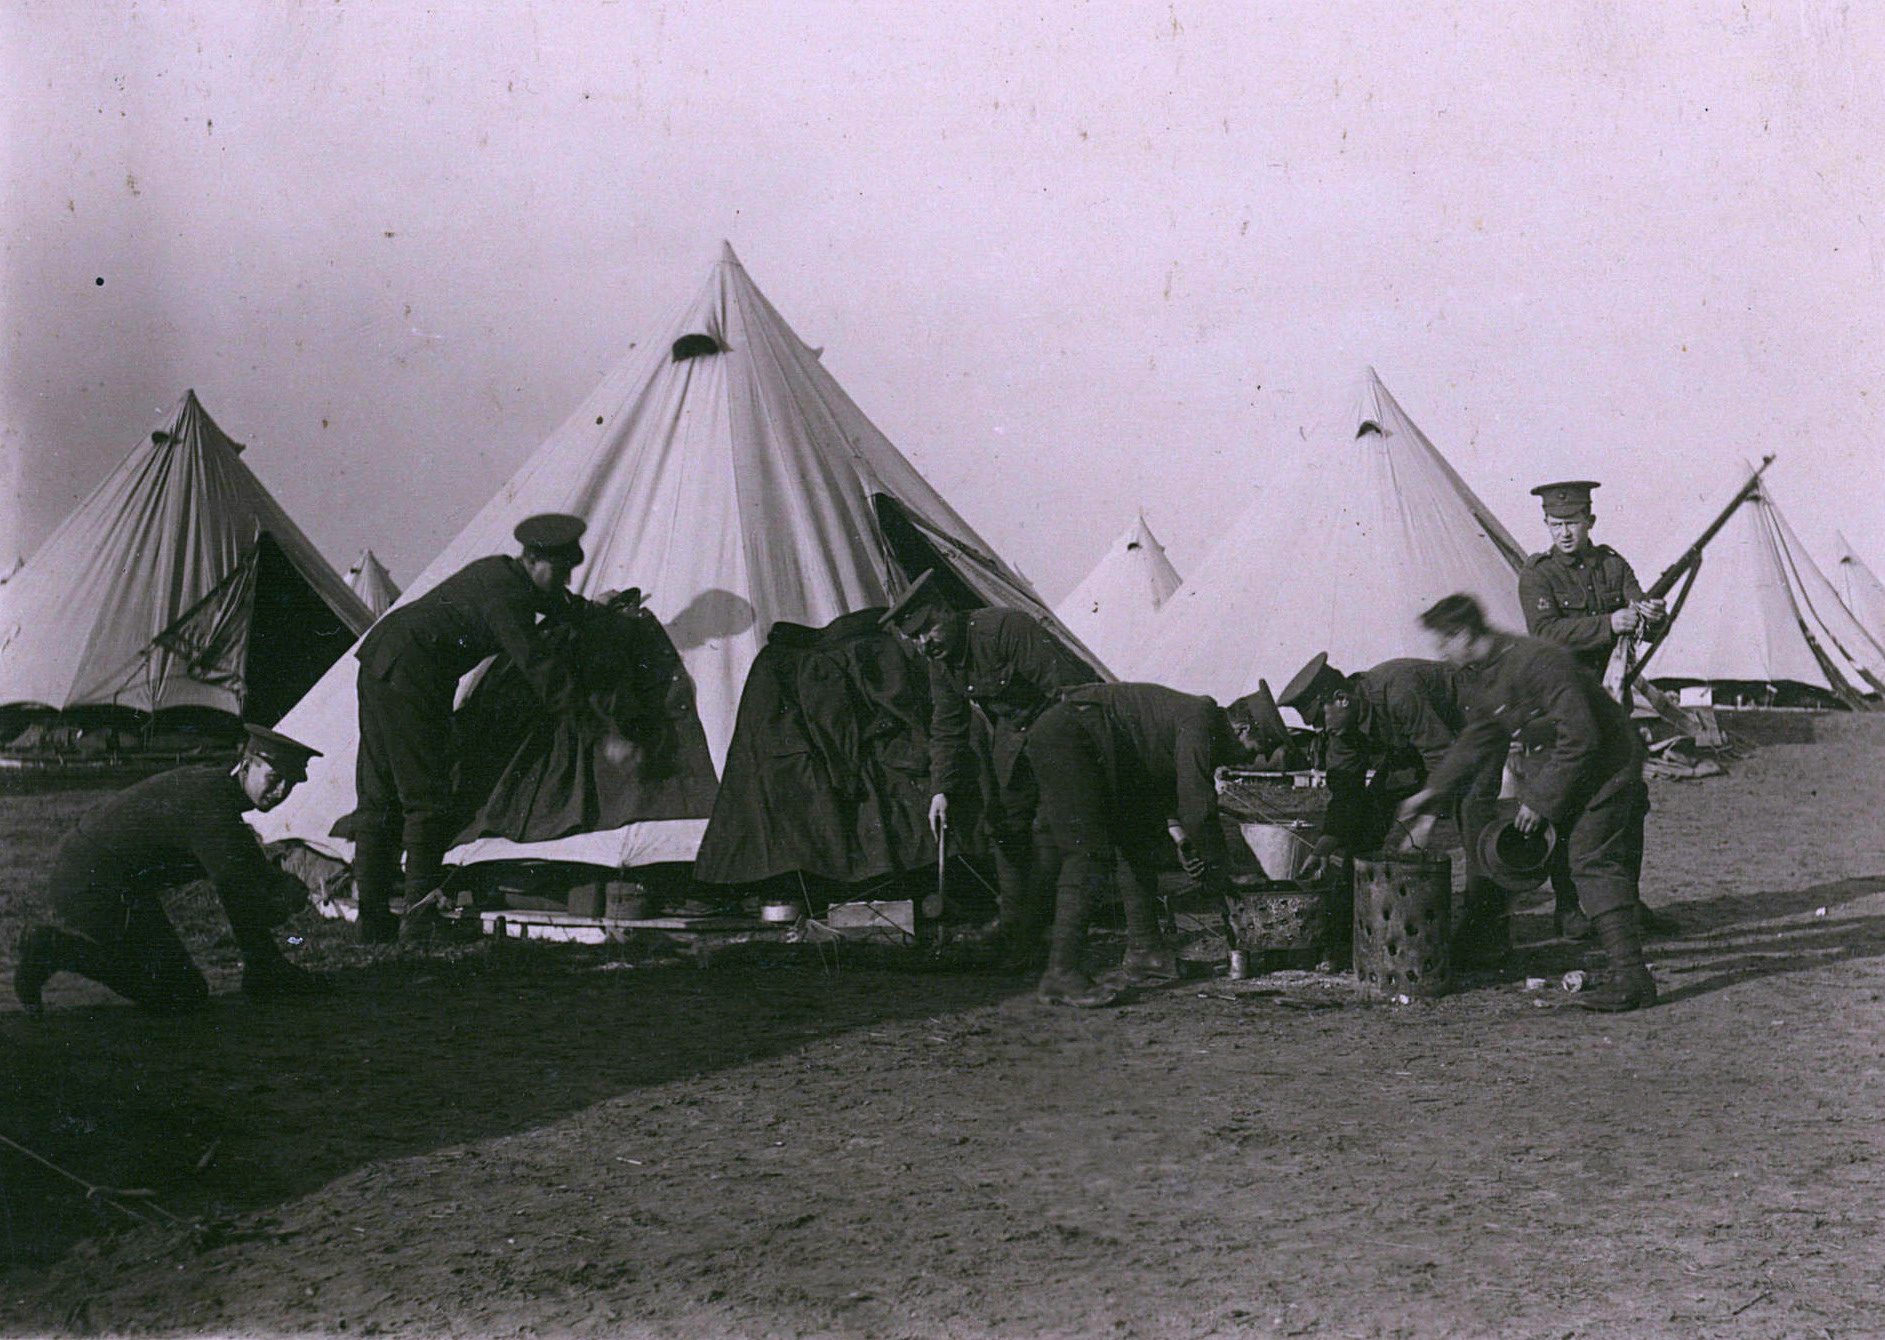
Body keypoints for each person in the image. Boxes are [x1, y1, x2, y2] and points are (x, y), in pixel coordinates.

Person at [350, 513, 617, 943]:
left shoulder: (505, 576)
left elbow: (555, 604)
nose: (565, 580)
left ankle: (372, 919)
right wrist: (596, 727)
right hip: (413, 672)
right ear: (532, 559)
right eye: (561, 571)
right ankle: (420, 921)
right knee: (425, 799)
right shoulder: (506, 594)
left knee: (378, 794)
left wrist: (592, 609)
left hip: (382, 658)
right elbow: (536, 665)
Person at [1396, 594, 1658, 1012]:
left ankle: (1633, 978)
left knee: (1590, 860)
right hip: (1574, 765)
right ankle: (1486, 940)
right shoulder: (1491, 672)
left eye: (1444, 643)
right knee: (1555, 856)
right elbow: (1479, 736)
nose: (1441, 654)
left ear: (1464, 635)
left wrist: (1538, 801)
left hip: (1609, 763)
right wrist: (1432, 792)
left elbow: (1582, 736)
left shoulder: (1539, 659)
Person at [13, 726, 328, 1017]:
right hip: (90, 884)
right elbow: (238, 893)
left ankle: (266, 970)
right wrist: (279, 905)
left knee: (176, 978)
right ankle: (53, 949)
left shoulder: (218, 792)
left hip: (111, 879)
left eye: (290, 783)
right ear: (246, 766)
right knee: (181, 992)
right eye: (274, 779)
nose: (281, 791)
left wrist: (275, 884)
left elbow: (246, 865)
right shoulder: (212, 805)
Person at [880, 571, 1101, 960]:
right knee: (1003, 824)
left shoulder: (1006, 628)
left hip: (1057, 727)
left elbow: (1064, 692)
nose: (924, 644)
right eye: (914, 638)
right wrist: (940, 791)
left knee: (1058, 826)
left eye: (927, 630)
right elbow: (947, 728)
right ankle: (1017, 928)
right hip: (1012, 737)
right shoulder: (943, 663)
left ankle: (1056, 931)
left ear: (946, 612)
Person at [1024, 682, 1265, 1006]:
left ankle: (1145, 951)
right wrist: (1218, 872)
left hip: (1097, 743)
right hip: (1070, 738)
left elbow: (1160, 787)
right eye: (1257, 746)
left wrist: (1182, 840)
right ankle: (1061, 972)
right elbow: (1198, 807)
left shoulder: (1194, 720)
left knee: (1137, 844)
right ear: (1242, 728)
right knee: (1088, 854)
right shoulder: (1201, 721)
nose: (1256, 757)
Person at [1517, 480, 1676, 940]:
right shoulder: (1538, 575)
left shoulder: (1612, 565)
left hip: (1613, 707)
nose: (1565, 532)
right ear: (1547, 524)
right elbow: (1545, 632)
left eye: (1573, 523)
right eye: (1556, 524)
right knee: (1567, 807)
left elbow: (1638, 618)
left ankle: (1625, 906)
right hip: (1563, 710)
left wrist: (1651, 615)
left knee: (1626, 805)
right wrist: (1608, 624)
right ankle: (1570, 911)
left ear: (1590, 521)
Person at [1277, 652, 1508, 964]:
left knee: (1472, 814)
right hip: (1422, 748)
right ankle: (1350, 930)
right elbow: (1346, 793)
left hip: (1475, 729)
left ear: (1341, 699)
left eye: (1320, 719)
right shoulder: (1343, 730)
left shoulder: (1398, 690)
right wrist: (1324, 844)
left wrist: (1426, 817)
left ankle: (1486, 935)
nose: (1322, 730)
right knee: (1370, 815)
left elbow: (1442, 755)